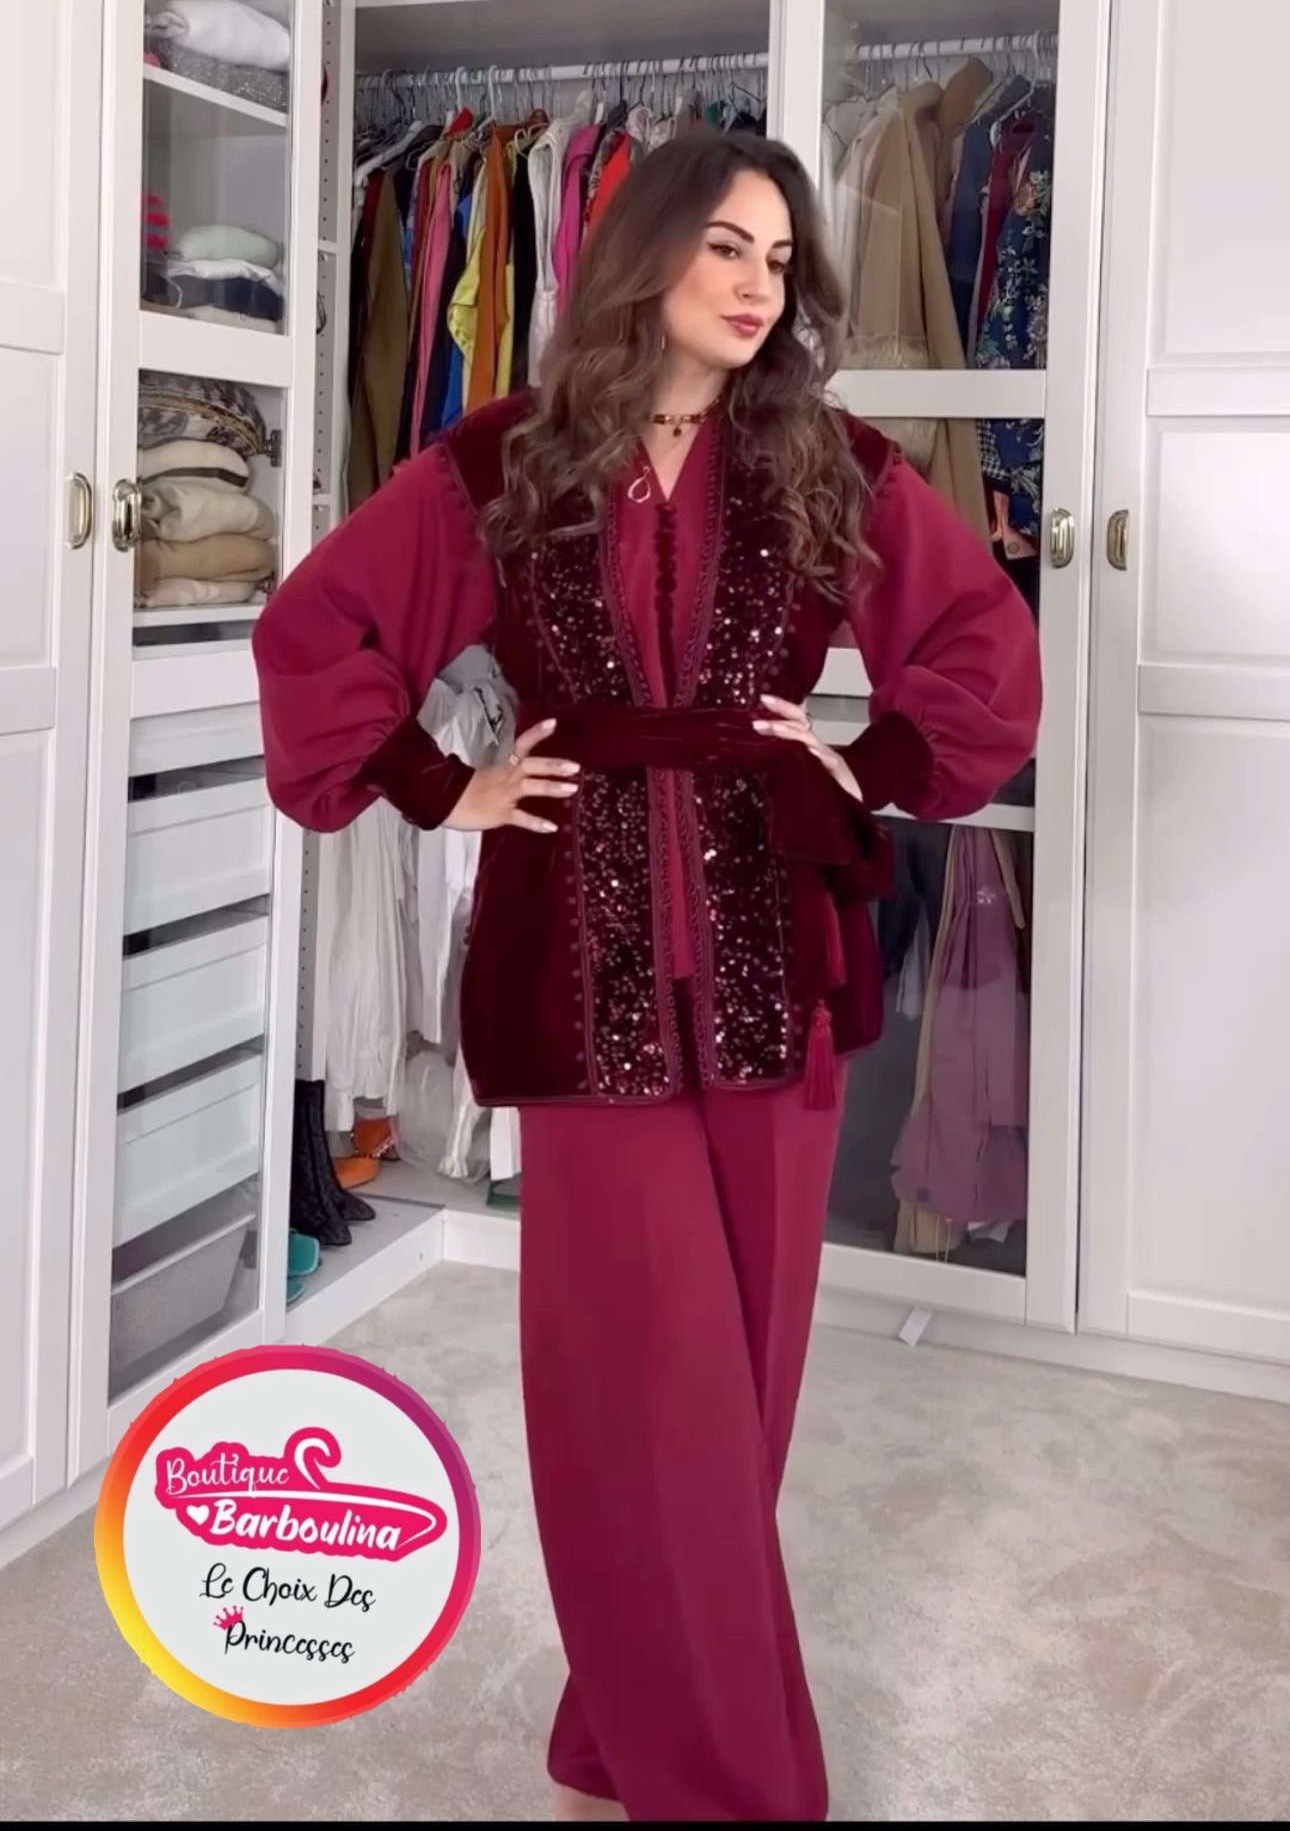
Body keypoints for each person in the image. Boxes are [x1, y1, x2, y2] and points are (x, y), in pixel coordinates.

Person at [253, 130, 1041, 1823]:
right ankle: (729, 1783)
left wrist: (865, 762)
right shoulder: (504, 461)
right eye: (727, 247)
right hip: (578, 963)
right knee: (639, 1386)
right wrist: (436, 783)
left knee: (739, 1389)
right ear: (645, 250)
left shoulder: (822, 460)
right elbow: (319, 627)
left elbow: (979, 642)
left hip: (778, 958)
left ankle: (617, 1728)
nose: (759, 285)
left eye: (781, 258)